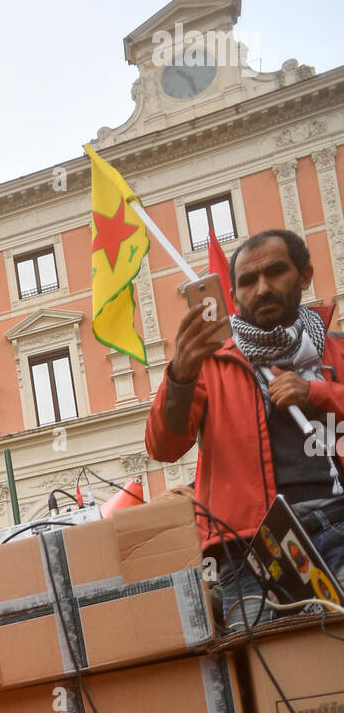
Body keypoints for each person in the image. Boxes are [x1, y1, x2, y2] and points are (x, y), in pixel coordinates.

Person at [145, 230, 344, 629]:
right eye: (248, 282)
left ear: (304, 276)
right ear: (233, 296)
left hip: (336, 523)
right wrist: (180, 374)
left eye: (276, 272)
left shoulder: (336, 348)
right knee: (272, 681)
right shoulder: (209, 362)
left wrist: (317, 392)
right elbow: (163, 446)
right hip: (247, 551)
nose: (263, 288)